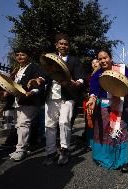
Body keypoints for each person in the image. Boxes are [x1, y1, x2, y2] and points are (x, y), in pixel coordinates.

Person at [41, 33, 85, 166]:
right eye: (61, 43)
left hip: (68, 96)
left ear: (69, 46)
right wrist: (39, 80)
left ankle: (64, 150)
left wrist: (77, 83)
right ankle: (51, 152)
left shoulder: (74, 60)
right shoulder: (50, 59)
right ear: (56, 45)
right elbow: (44, 76)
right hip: (51, 96)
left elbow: (81, 77)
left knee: (64, 122)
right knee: (49, 124)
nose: (63, 46)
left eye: (66, 44)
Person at [86, 49, 128, 173]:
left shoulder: (122, 69)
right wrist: (92, 99)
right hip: (104, 107)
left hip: (121, 106)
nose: (102, 60)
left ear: (111, 58)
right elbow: (94, 90)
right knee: (105, 132)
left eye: (105, 58)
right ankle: (105, 157)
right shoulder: (97, 73)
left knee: (121, 131)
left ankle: (123, 161)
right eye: (100, 59)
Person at [8, 47, 45, 161]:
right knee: (18, 125)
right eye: (18, 55)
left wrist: (31, 92)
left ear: (28, 56)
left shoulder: (34, 67)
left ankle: (21, 150)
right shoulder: (17, 69)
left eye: (22, 54)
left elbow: (40, 82)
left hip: (30, 101)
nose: (20, 56)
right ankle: (23, 147)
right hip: (17, 102)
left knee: (24, 123)